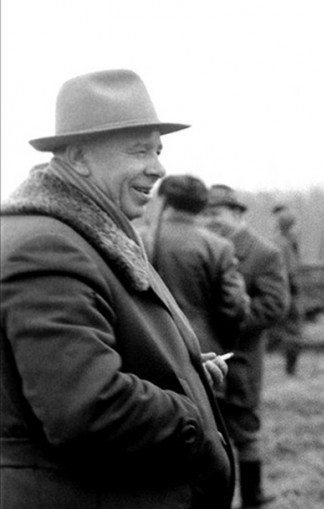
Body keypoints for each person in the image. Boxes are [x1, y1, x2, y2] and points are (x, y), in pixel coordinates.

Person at [0, 69, 234, 508]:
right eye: (138, 150)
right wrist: (194, 413)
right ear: (78, 156)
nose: (158, 168)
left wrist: (184, 371)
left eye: (159, 150)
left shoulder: (85, 234)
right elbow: (87, 407)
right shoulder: (48, 248)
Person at [202, 184, 289, 508]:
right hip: (204, 359)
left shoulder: (264, 253)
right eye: (204, 214)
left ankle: (253, 496)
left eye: (216, 213)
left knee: (244, 429)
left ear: (238, 215)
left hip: (241, 359)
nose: (209, 220)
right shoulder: (199, 247)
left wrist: (232, 322)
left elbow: (274, 305)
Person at [140, 174, 250, 356]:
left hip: (148, 346)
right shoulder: (219, 247)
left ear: (164, 200)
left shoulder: (139, 238)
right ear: (201, 205)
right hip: (203, 350)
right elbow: (235, 305)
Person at [267, 204, 305, 376]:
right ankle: (291, 368)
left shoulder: (278, 242)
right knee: (292, 330)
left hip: (278, 290)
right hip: (287, 291)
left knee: (285, 329)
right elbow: (290, 271)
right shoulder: (284, 244)